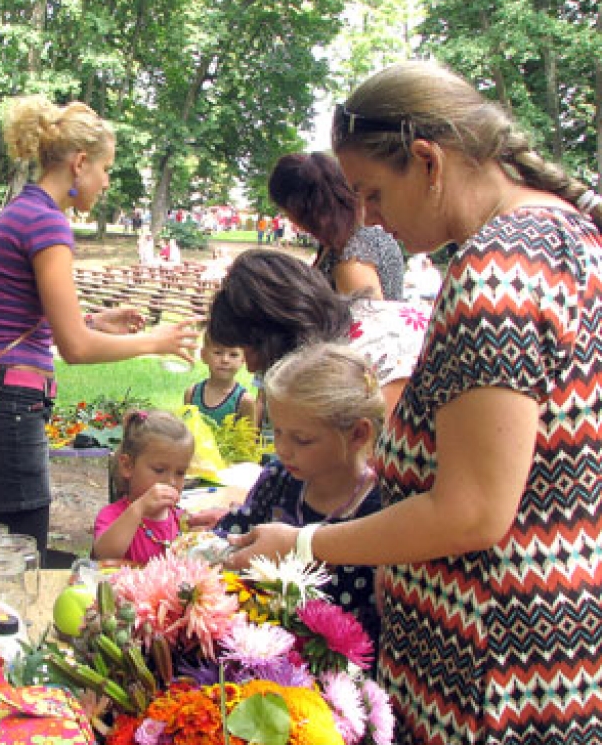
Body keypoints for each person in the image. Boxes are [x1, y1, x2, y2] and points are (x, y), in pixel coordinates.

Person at [226, 60, 602, 745]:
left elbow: (472, 511)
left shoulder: (496, 274)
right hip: (542, 649)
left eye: (372, 193)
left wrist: (306, 542)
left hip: (490, 675)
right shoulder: (566, 236)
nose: (367, 218)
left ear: (428, 161)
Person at [0, 94, 197, 552]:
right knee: (21, 556)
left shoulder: (22, 211)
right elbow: (75, 348)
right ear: (80, 163)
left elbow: (20, 314)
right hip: (9, 407)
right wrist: (156, 341)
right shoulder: (47, 223)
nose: (105, 183)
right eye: (105, 169)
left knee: (9, 549)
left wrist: (94, 319)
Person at [213, 343, 384, 650]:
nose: (283, 449)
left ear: (358, 434)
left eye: (302, 439)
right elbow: (232, 537)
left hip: (342, 675)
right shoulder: (279, 480)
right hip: (258, 650)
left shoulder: (380, 508)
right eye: (276, 432)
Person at [207, 248, 428, 414]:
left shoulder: (363, 360)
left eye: (250, 349)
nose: (252, 366)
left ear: (280, 330)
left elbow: (378, 464)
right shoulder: (347, 334)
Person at [269, 151, 405, 300]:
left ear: (300, 209)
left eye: (285, 211)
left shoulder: (353, 257)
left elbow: (368, 320)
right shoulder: (347, 237)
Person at [93, 410, 195, 563]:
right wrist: (139, 508)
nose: (171, 482)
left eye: (180, 473)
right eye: (159, 470)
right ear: (127, 466)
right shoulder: (113, 515)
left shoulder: (179, 519)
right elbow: (104, 556)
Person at [183, 332, 256, 426]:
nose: (225, 360)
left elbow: (250, 439)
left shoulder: (244, 401)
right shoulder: (191, 394)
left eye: (233, 355)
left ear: (243, 359)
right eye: (218, 353)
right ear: (203, 355)